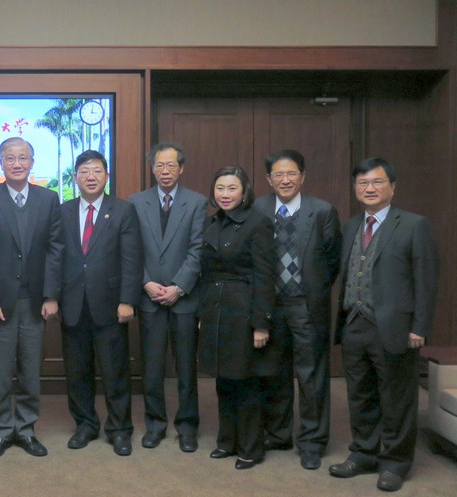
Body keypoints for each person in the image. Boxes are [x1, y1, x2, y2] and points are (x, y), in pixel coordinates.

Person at [328, 158, 439, 492]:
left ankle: (395, 462)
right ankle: (363, 454)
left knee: (397, 399)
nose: (369, 189)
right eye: (362, 183)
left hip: (395, 327)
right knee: (360, 396)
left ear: (393, 186)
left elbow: (426, 280)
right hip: (354, 324)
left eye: (376, 182)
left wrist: (419, 327)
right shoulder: (350, 226)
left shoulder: (413, 225)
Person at [0, 137, 63, 459]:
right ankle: (1, 431)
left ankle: (25, 430)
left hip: (36, 301)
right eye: (10, 158)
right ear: (1, 162)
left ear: (32, 162)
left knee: (29, 369)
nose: (16, 163)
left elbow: (56, 249)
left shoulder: (49, 199)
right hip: (0, 301)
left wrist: (52, 295)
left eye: (23, 157)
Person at [254, 149, 341, 470]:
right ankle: (277, 434)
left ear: (302, 176)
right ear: (269, 179)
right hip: (270, 305)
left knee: (311, 375)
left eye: (291, 174)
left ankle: (312, 441)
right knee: (273, 371)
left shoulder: (322, 211)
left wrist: (310, 290)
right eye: (278, 174)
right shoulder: (259, 208)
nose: (285, 180)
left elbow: (332, 260)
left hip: (306, 304)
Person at [59, 150, 142, 456]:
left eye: (96, 171)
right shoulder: (64, 211)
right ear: (76, 177)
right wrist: (52, 297)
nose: (90, 176)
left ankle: (120, 429)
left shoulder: (122, 210)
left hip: (110, 304)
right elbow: (56, 257)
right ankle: (85, 424)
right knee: (77, 372)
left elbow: (132, 259)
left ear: (107, 176)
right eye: (84, 171)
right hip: (72, 304)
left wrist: (127, 300)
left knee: (114, 371)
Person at [129, 143, 207, 452]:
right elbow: (132, 250)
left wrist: (179, 286)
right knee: (152, 366)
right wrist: (146, 282)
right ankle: (155, 424)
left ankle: (187, 426)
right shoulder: (137, 202)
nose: (165, 171)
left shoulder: (197, 202)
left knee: (186, 367)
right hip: (149, 297)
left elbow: (198, 249)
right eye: (160, 166)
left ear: (181, 169)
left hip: (184, 298)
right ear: (152, 168)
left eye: (171, 166)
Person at [198, 166, 277, 470]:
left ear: (244, 191)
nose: (225, 194)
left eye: (232, 188)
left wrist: (261, 323)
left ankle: (250, 448)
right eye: (220, 188)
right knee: (224, 382)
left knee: (247, 384)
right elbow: (206, 273)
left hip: (244, 312)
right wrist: (204, 313)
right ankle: (226, 442)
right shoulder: (212, 222)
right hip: (217, 311)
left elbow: (265, 276)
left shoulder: (258, 223)